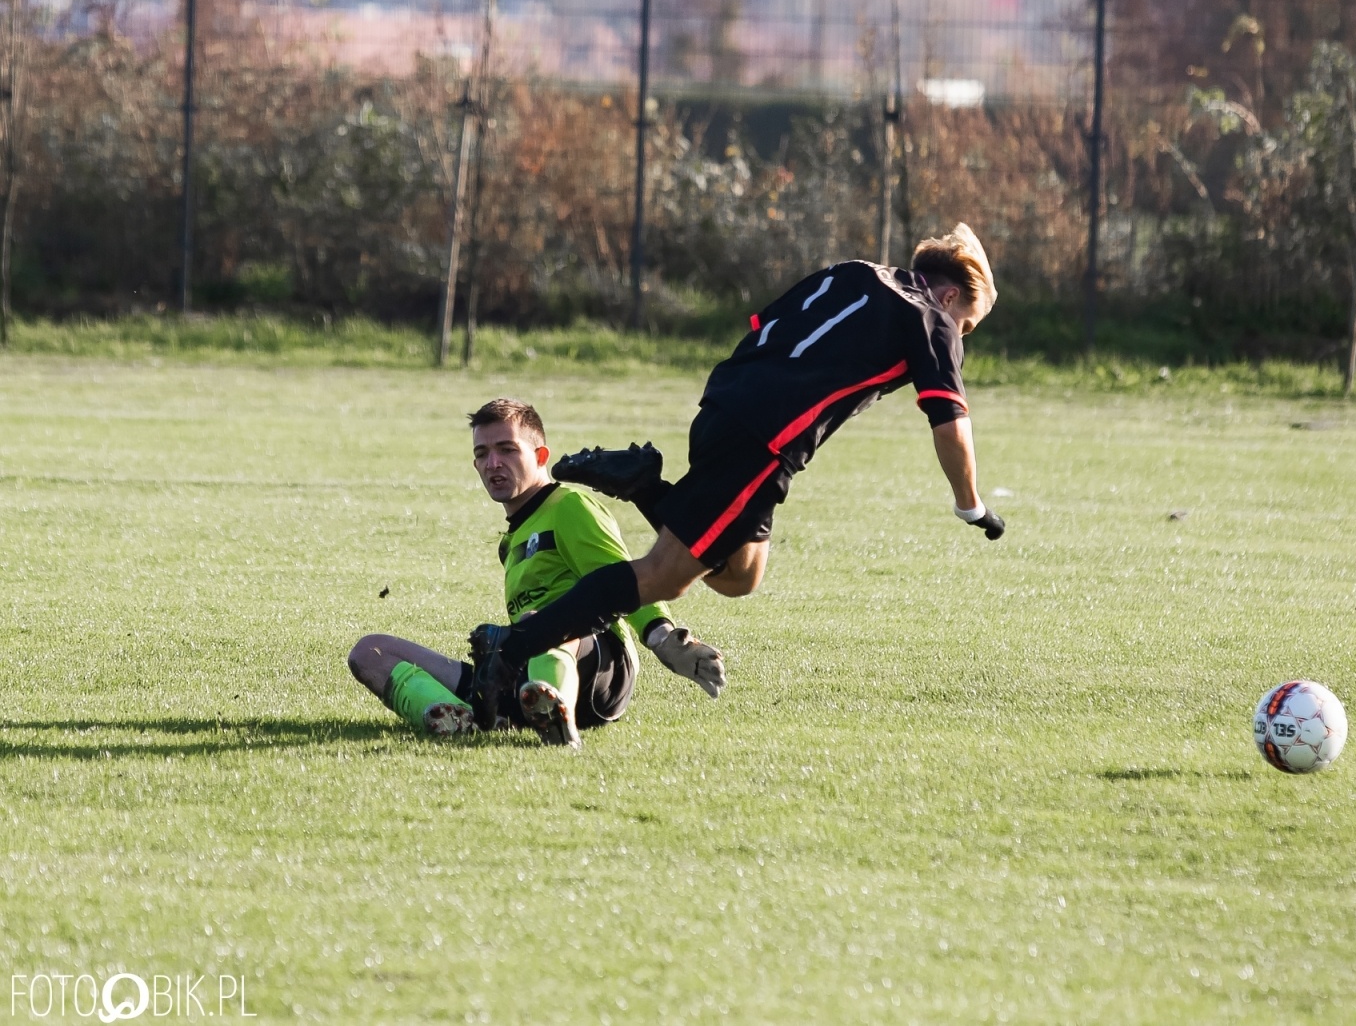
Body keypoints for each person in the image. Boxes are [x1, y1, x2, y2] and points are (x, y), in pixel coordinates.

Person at [478, 223, 1006, 681]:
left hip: (726, 404)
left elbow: (766, 325)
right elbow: (950, 422)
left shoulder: (856, 272)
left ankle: (644, 486)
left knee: (740, 575)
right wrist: (970, 503)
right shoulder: (934, 319)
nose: (961, 337)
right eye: (968, 327)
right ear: (953, 297)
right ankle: (513, 651)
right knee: (663, 575)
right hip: (764, 441)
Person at [346, 398, 726, 747]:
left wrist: (661, 636)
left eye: (507, 449)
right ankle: (458, 718)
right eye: (483, 453)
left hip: (600, 670)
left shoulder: (569, 505)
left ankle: (557, 716)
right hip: (520, 666)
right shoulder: (511, 541)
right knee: (371, 652)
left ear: (540, 454)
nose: (493, 463)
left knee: (538, 622)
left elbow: (623, 579)